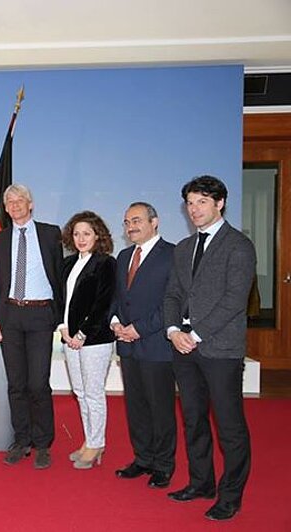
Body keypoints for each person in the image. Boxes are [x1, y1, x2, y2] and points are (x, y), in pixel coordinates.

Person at [164, 175, 255, 521]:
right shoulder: (184, 247)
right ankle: (201, 483)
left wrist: (196, 333)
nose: (194, 209)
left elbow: (234, 300)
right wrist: (174, 330)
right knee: (193, 420)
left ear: (220, 203)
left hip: (220, 350)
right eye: (190, 203)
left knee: (229, 426)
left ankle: (230, 496)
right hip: (183, 348)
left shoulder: (239, 245)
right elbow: (173, 294)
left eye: (202, 201)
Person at [0, 184, 63, 469]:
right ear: (6, 208)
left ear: (30, 204)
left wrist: (61, 317)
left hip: (40, 314)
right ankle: (21, 440)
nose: (15, 205)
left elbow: (59, 275)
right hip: (10, 316)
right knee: (16, 384)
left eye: (20, 200)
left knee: (38, 383)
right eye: (10, 202)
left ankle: (43, 444)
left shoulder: (50, 234)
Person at [110, 202, 176, 488]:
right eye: (127, 222)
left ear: (154, 221)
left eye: (136, 220)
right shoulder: (124, 256)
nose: (130, 227)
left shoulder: (172, 255)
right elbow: (117, 297)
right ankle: (143, 458)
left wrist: (139, 329)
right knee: (135, 407)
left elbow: (172, 303)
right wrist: (115, 322)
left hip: (157, 345)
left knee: (160, 408)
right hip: (127, 346)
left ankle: (163, 465)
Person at [58, 211, 116, 470]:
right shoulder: (68, 263)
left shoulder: (105, 263)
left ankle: (97, 443)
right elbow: (62, 300)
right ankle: (89, 441)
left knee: (93, 393)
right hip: (69, 338)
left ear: (98, 236)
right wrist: (63, 329)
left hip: (95, 339)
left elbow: (103, 303)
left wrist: (82, 333)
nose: (81, 239)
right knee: (80, 393)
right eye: (76, 234)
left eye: (87, 234)